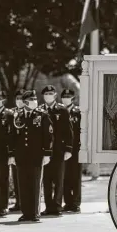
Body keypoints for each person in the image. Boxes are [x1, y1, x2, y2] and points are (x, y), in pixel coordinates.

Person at [8, 90, 53, 222]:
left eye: (35, 99)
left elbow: (48, 135)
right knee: (23, 184)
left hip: (36, 155)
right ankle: (25, 212)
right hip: (21, 156)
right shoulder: (18, 116)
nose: (34, 102)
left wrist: (47, 154)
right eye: (31, 100)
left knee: (34, 184)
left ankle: (34, 213)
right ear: (25, 102)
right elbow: (12, 137)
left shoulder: (42, 115)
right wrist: (12, 154)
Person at [39, 85, 73, 216]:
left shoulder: (62, 110)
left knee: (58, 180)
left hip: (59, 150)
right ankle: (48, 206)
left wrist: (69, 149)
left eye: (51, 93)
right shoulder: (40, 110)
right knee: (46, 180)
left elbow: (69, 131)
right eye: (46, 93)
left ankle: (57, 206)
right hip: (44, 151)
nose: (48, 95)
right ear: (43, 96)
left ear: (55, 95)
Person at [61, 88, 82, 213]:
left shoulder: (77, 112)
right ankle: (67, 202)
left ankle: (76, 202)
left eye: (68, 96)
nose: (66, 98)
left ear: (72, 98)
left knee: (76, 176)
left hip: (76, 148)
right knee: (65, 176)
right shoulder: (60, 111)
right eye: (64, 96)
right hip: (63, 149)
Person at [9, 89, 26, 212]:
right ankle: (18, 202)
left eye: (22, 98)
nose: (19, 101)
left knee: (28, 178)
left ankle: (27, 203)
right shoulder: (11, 113)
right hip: (15, 151)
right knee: (16, 178)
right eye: (17, 98)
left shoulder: (31, 112)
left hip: (28, 150)